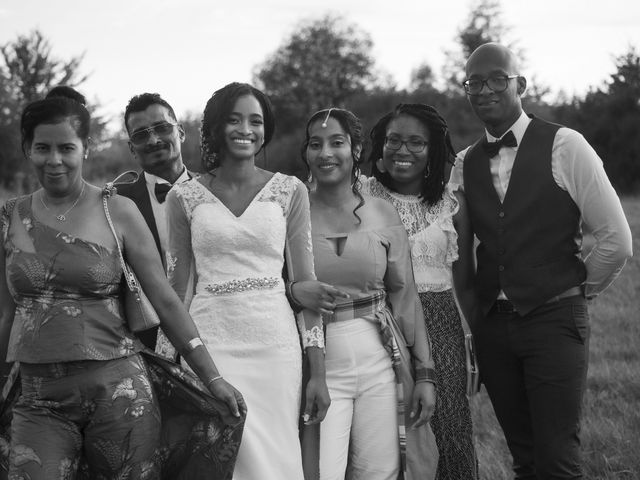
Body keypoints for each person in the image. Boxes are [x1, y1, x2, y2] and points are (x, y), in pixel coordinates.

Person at [0, 86, 246, 479]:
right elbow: (5, 313)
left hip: (120, 394)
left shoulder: (117, 210)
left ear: (85, 147)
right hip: (38, 399)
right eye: (42, 148)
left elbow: (165, 301)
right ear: (27, 148)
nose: (55, 160)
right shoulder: (9, 217)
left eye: (66, 147)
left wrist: (210, 376)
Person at [452, 43, 633, 479]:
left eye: (497, 78)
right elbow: (458, 252)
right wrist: (473, 323)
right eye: (474, 82)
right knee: (525, 458)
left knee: (557, 461)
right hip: (494, 327)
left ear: (521, 84)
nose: (485, 90)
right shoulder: (463, 164)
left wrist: (574, 292)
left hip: (554, 320)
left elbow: (616, 240)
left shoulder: (567, 145)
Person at [164, 82, 330, 480]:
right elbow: (176, 289)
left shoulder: (290, 191)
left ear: (265, 130)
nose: (246, 129)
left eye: (256, 121)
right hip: (212, 346)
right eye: (235, 119)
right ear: (217, 127)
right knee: (218, 458)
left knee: (276, 457)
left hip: (275, 346)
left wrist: (318, 372)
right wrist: (168, 361)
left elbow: (306, 285)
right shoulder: (183, 197)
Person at [302, 107, 437, 480]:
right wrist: (297, 290)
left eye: (337, 142)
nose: (326, 153)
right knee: (320, 472)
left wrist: (425, 374)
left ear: (356, 149)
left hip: (380, 357)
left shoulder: (381, 212)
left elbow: (405, 297)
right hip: (318, 362)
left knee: (379, 472)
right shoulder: (291, 212)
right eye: (316, 144)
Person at [364, 103, 478, 479]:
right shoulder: (360, 195)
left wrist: (477, 341)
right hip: (377, 322)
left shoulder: (452, 206)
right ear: (380, 146)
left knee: (446, 428)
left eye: (416, 143)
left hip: (440, 325)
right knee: (382, 431)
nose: (403, 151)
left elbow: (464, 282)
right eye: (394, 141)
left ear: (432, 151)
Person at [119, 92, 192, 350]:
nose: (153, 139)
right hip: (146, 343)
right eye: (140, 135)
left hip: (218, 329)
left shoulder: (216, 192)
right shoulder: (116, 204)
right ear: (131, 148)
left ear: (180, 132)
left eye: (162, 128)